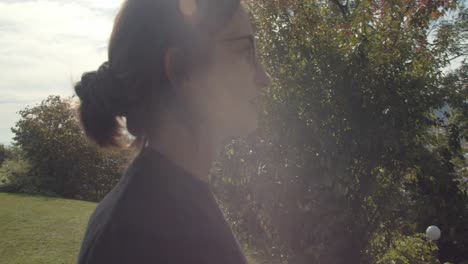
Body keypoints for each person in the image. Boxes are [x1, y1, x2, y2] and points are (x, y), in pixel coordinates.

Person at [74, 0, 271, 263]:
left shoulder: (168, 205)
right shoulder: (144, 236)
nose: (264, 78)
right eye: (245, 52)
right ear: (181, 70)